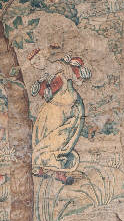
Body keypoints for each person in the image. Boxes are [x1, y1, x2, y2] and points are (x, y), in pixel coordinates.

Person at [28, 45, 91, 185]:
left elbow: (77, 79)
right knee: (42, 133)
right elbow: (45, 93)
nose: (36, 64)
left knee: (61, 139)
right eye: (34, 64)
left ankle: (59, 172)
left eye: (38, 60)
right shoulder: (43, 76)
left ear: (44, 56)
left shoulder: (61, 66)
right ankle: (41, 167)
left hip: (68, 106)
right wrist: (42, 89)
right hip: (53, 108)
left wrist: (81, 73)